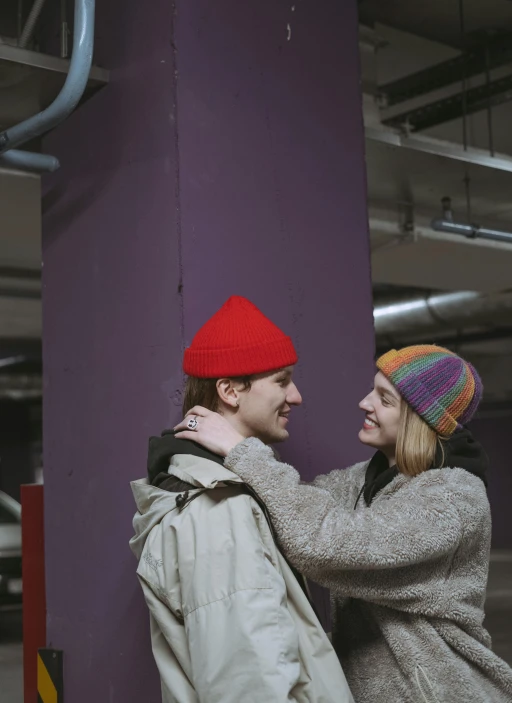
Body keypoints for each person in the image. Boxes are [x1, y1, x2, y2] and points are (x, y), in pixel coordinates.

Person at [175, 344, 512, 703]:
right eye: (373, 389)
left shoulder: (452, 498)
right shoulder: (364, 480)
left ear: (420, 419)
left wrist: (240, 449)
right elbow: (289, 505)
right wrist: (222, 437)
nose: (365, 403)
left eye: (384, 400)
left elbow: (323, 544)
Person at [130, 296, 354, 703]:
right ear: (230, 391)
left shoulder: (208, 492)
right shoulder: (221, 509)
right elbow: (247, 681)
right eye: (282, 381)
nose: (297, 396)